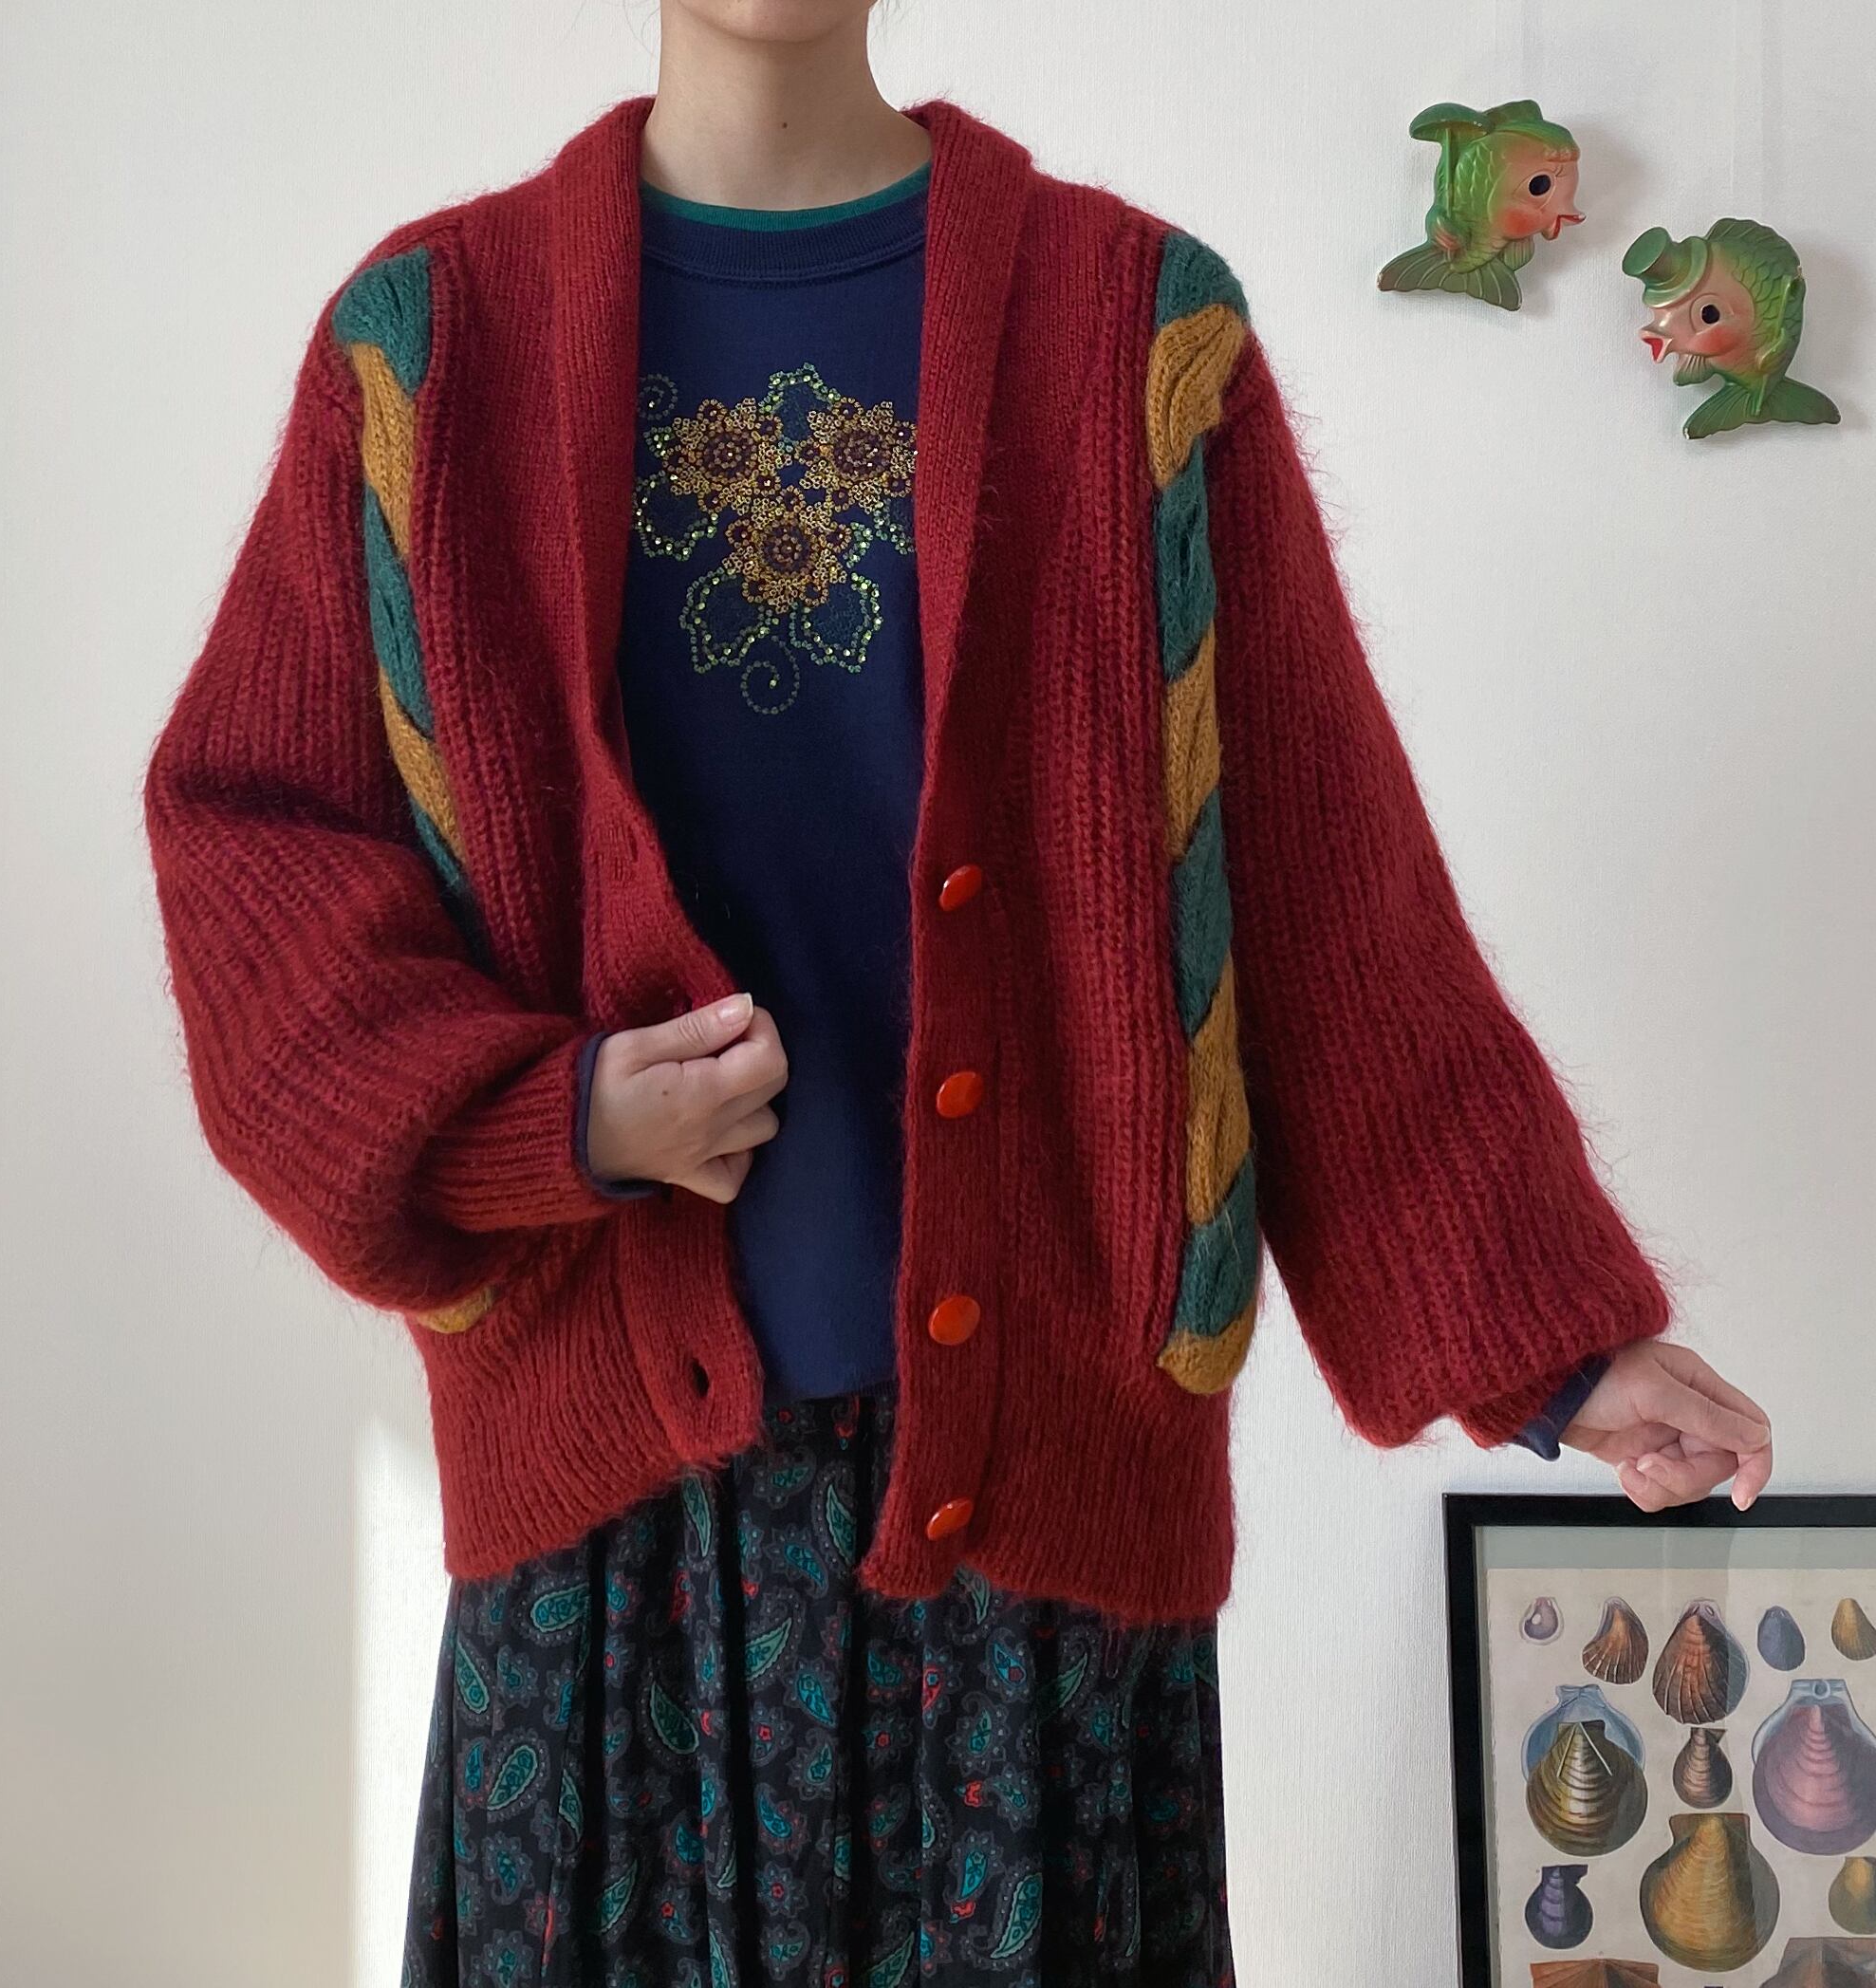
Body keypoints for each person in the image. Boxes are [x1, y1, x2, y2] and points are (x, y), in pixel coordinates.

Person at [142, 5, 1774, 1982]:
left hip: (1041, 1532)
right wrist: (545, 1120)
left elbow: (1314, 871)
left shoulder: (1136, 329)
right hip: (611, 1532)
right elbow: (254, 842)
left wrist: (1553, 1350)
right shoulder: (423, 347)